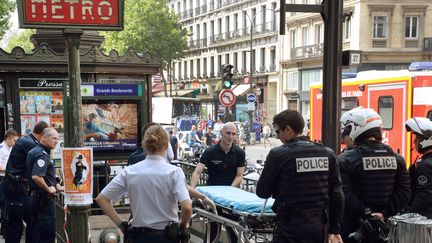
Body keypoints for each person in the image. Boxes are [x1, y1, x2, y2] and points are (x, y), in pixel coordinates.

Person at [256, 109, 344, 243]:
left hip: (289, 228)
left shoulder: (279, 154)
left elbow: (262, 192)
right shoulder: (328, 153)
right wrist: (335, 230)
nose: (277, 137)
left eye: (278, 131)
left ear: (288, 129)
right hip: (319, 228)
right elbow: (337, 194)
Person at [96, 124, 192, 242]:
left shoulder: (130, 171)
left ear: (144, 145)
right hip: (167, 237)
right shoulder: (175, 172)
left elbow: (102, 199)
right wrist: (182, 227)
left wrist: (122, 225)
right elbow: (187, 208)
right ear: (167, 145)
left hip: (138, 237)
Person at [339, 107, 410, 242]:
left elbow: (344, 194)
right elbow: (404, 194)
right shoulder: (398, 159)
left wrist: (366, 212)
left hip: (353, 228)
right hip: (384, 228)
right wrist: (383, 214)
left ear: (356, 128)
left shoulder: (346, 159)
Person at [190, 122, 246, 243]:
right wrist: (191, 191)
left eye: (233, 134)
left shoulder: (240, 153)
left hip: (231, 198)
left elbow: (239, 176)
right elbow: (197, 172)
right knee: (212, 230)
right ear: (221, 133)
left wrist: (229, 191)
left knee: (234, 231)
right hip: (212, 197)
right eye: (228, 133)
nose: (231, 136)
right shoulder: (210, 151)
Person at [3, 121, 49, 243]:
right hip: (16, 188)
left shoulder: (28, 141)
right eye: (51, 137)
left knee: (30, 222)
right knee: (16, 225)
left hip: (18, 187)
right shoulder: (30, 144)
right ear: (43, 135)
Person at [26, 128, 64, 243]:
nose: (56, 141)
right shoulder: (41, 154)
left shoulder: (36, 151)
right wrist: (49, 188)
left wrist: (56, 184)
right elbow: (36, 176)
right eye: (54, 138)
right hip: (42, 200)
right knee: (45, 235)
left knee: (33, 232)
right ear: (43, 137)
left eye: (57, 138)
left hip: (36, 198)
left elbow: (45, 175)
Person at [405, 117, 432, 218]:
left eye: (417, 138)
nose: (414, 142)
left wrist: (409, 212)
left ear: (425, 140)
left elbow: (425, 194)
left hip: (424, 219)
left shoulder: (425, 165)